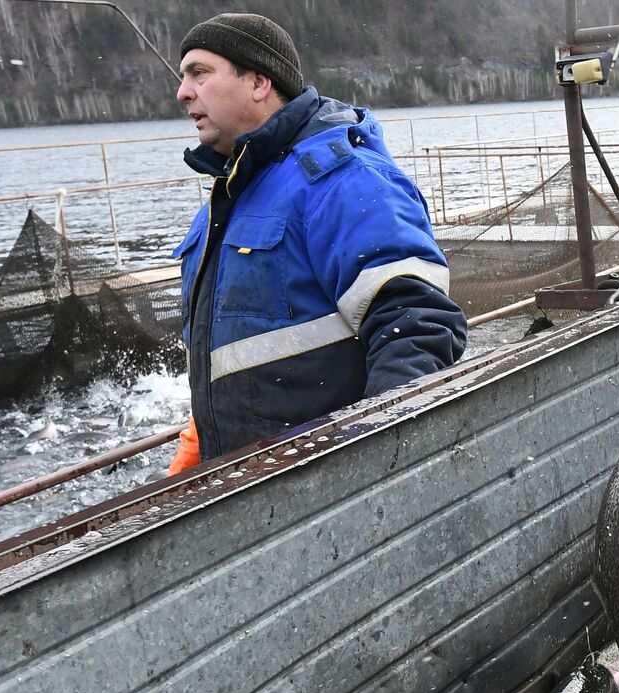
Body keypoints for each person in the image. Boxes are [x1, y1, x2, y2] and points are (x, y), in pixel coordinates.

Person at [167, 13, 466, 472]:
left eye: (200, 73)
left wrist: (380, 465)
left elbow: (415, 326)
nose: (184, 91)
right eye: (184, 77)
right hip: (240, 487)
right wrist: (198, 447)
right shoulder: (227, 198)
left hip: (323, 491)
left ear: (259, 82)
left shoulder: (342, 181)